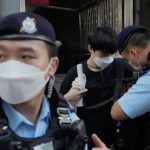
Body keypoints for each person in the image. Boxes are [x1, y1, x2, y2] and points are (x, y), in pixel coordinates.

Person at [0, 12, 87, 150]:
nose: (11, 67)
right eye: (1, 55)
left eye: (26, 56)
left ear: (52, 66)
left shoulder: (68, 120)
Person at [59, 27, 134, 149]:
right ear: (90, 48)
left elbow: (133, 83)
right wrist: (68, 97)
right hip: (88, 133)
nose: (109, 59)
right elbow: (56, 105)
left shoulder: (120, 66)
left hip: (114, 129)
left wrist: (125, 92)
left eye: (112, 54)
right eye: (104, 54)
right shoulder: (75, 73)